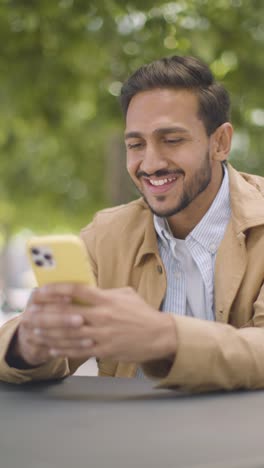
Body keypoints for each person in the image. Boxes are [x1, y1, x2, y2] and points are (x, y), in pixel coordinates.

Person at [0, 55, 263, 392]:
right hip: (126, 440)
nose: (150, 164)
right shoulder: (105, 235)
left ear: (220, 143)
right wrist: (29, 344)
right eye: (136, 145)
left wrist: (164, 337)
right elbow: (26, 346)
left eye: (172, 140)